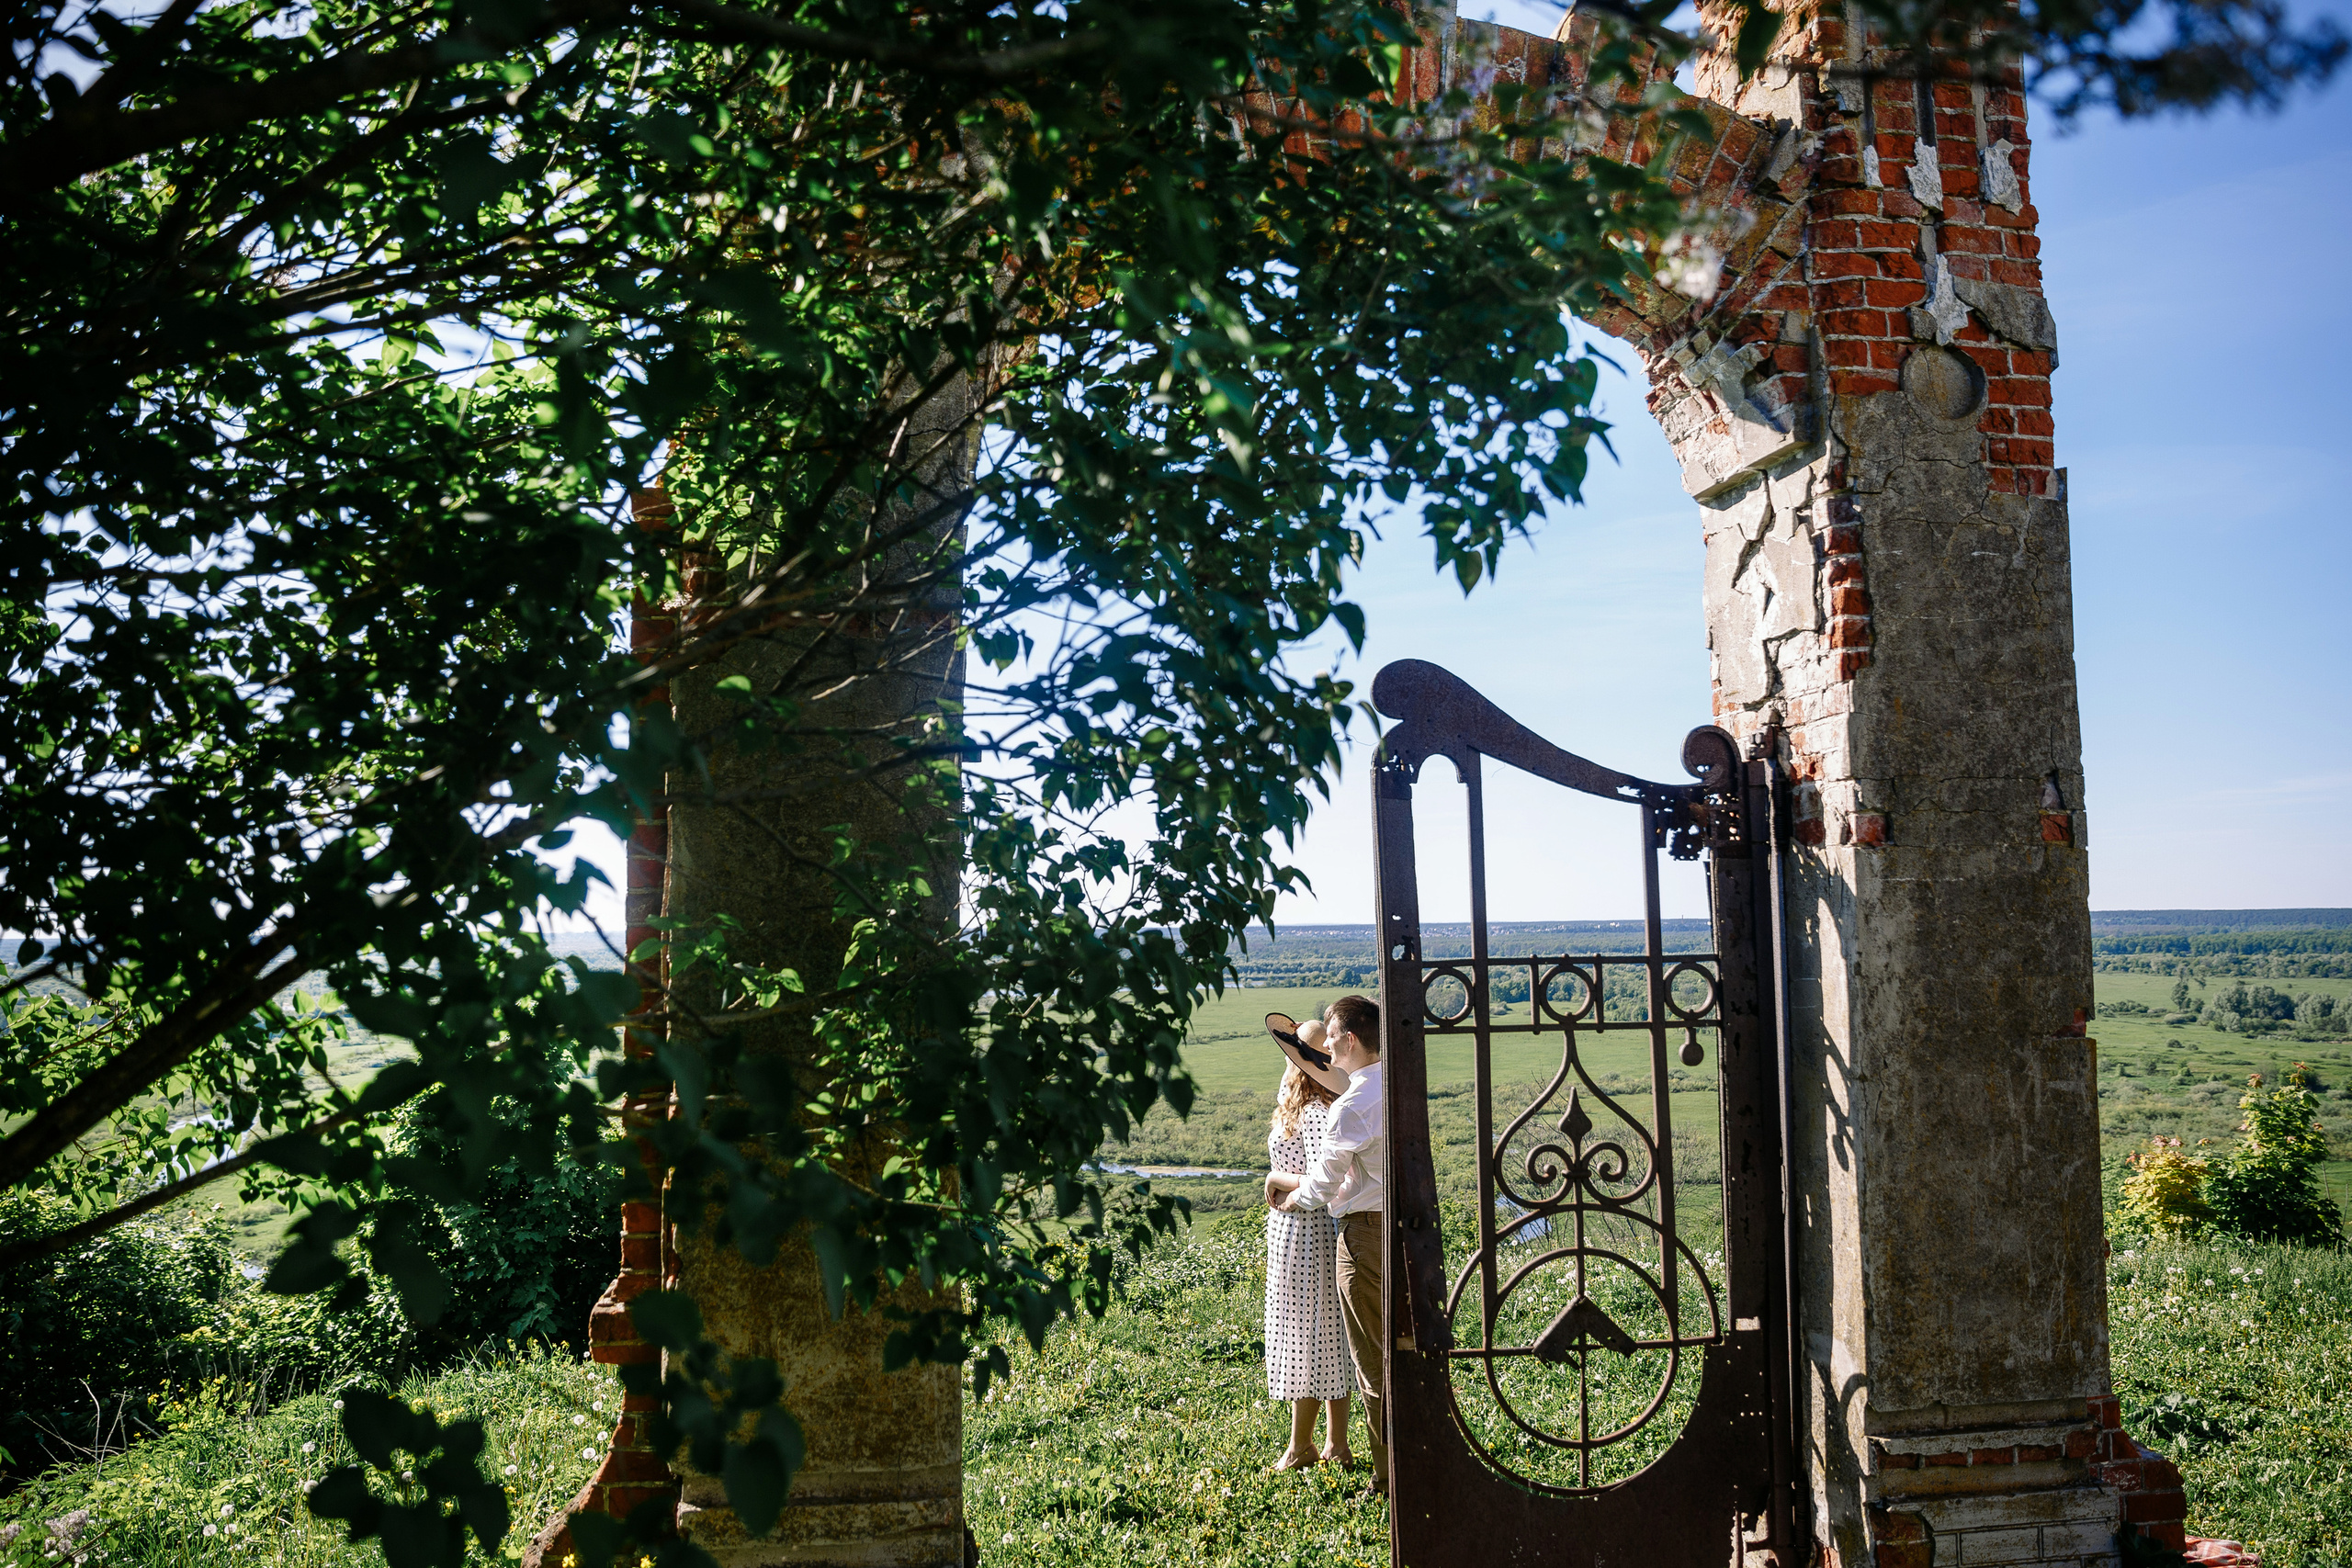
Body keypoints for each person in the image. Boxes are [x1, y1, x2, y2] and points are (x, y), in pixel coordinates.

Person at [1264, 993, 1386, 1495]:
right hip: (1358, 1224)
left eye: (1332, 1041)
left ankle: (1381, 1472)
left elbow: (1321, 1184)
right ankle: (1351, 1447)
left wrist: (1284, 1188)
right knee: (1358, 1345)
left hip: (1330, 1229)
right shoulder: (1368, 1091)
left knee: (1337, 1346)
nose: (1328, 1050)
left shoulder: (1339, 1108)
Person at [1261, 1020, 1355, 1472]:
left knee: (1310, 1337)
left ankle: (1304, 1446)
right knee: (1323, 1335)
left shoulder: (1317, 1112)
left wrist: (1277, 1178)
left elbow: (1327, 1183)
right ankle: (1331, 1444)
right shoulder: (1304, 1101)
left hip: (1309, 1231)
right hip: (1297, 1231)